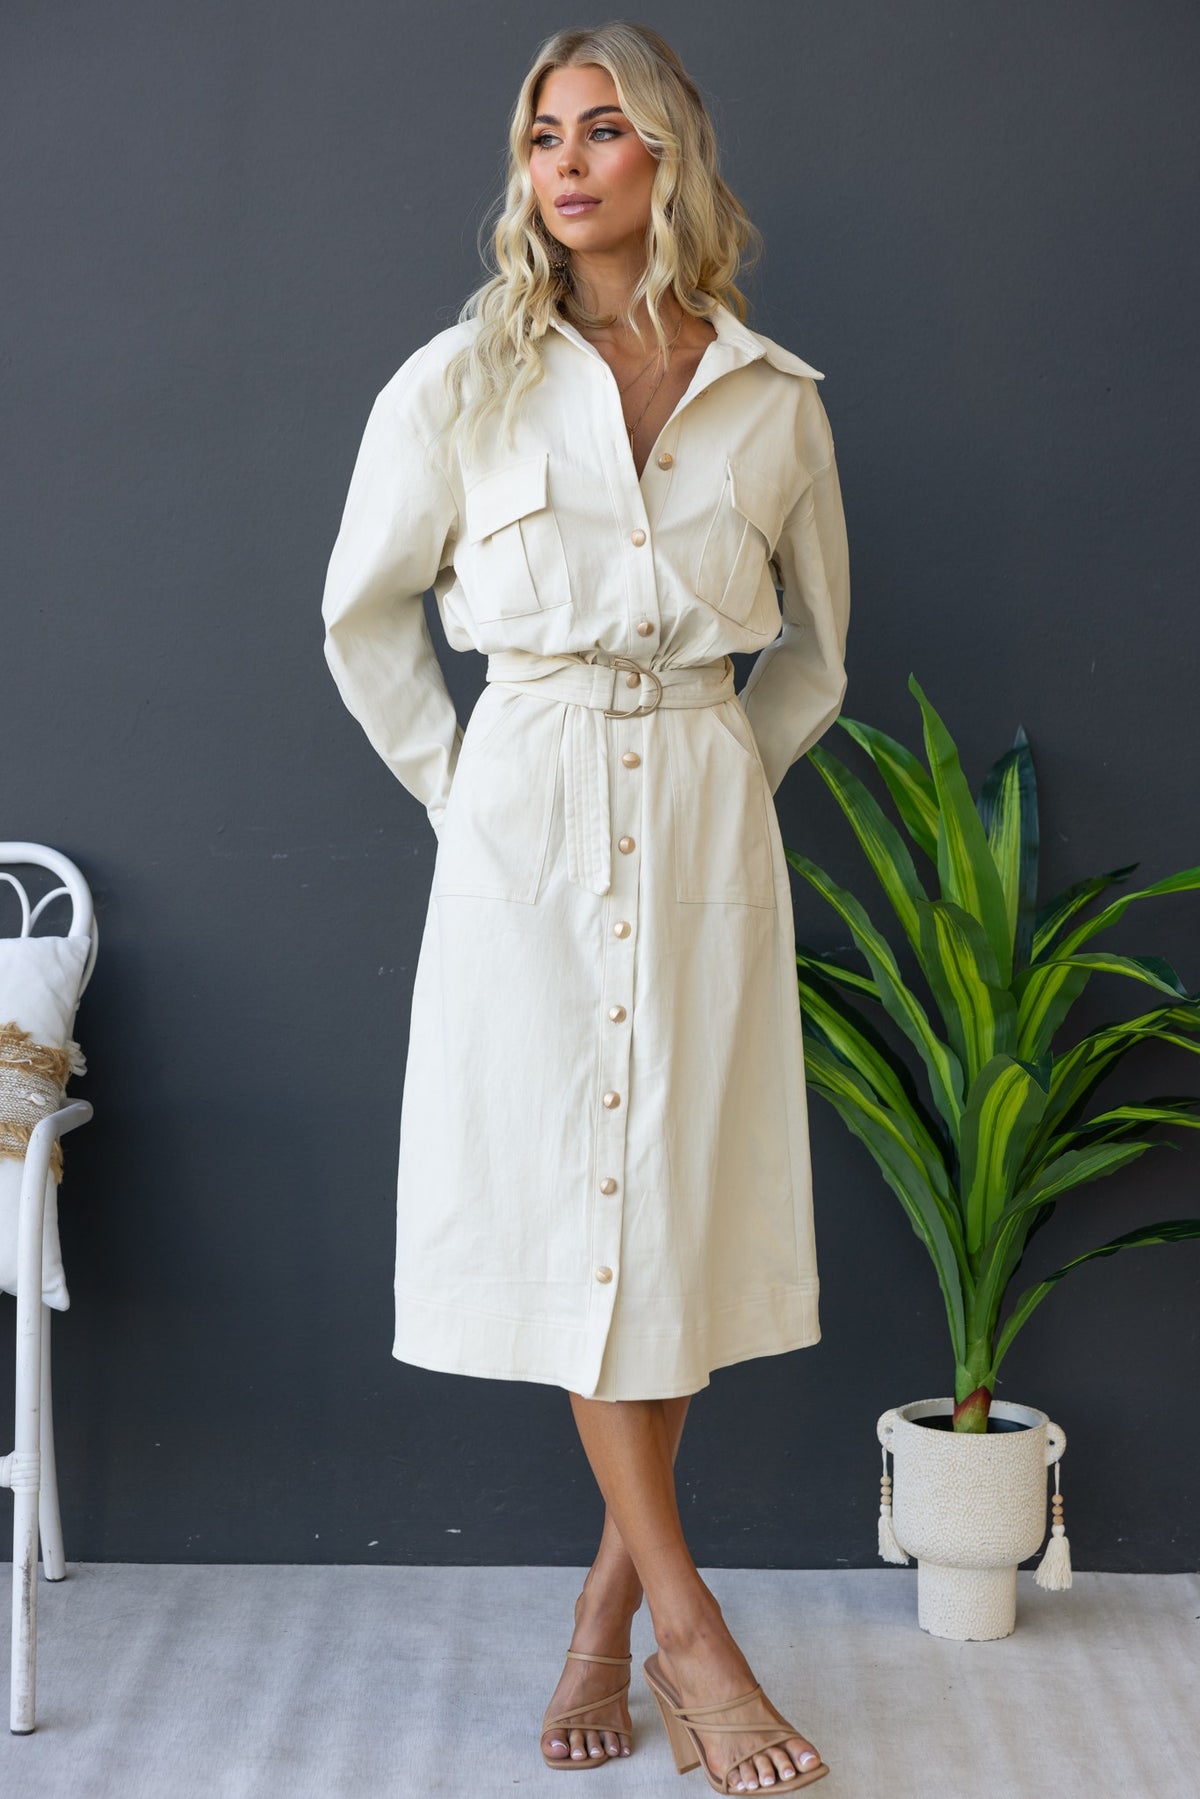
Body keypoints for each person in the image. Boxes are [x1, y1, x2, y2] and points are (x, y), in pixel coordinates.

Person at [321, 21, 848, 1794]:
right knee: (577, 1196)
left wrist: (717, 782)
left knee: (668, 1203)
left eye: (604, 129)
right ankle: (686, 1627)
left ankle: (606, 1616)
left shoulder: (773, 399)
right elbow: (363, 619)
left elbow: (817, 655)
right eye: (543, 132)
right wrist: (462, 789)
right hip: (528, 824)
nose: (566, 161)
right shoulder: (457, 384)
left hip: (702, 823)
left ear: (667, 159)